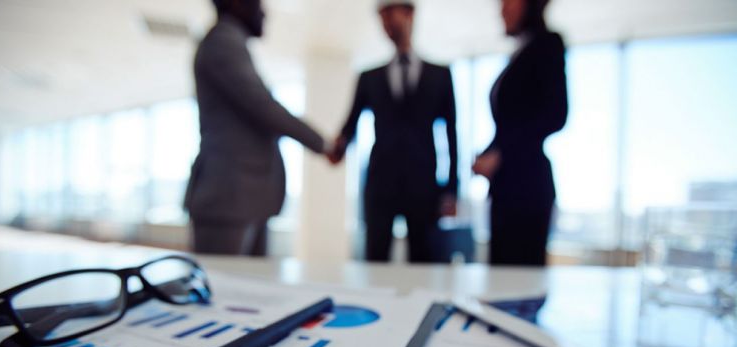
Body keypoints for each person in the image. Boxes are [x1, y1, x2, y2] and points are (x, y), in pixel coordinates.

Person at [184, 0, 332, 256]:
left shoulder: (231, 43)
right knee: (225, 287)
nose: (263, 11)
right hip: (228, 196)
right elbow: (262, 106)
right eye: (257, 3)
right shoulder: (223, 41)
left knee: (247, 290)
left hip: (243, 197)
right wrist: (324, 144)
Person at [332, 0, 459, 263]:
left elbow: (452, 134)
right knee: (375, 259)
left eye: (391, 13)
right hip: (380, 184)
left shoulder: (441, 75)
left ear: (410, 13)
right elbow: (350, 125)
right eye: (382, 17)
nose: (387, 23)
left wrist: (451, 189)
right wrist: (334, 146)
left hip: (423, 185)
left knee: (423, 260)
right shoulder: (369, 77)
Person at [472, 0, 567, 266]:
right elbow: (509, 125)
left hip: (527, 187)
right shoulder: (520, 52)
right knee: (501, 277)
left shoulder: (547, 44)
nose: (501, 9)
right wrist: (489, 153)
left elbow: (555, 115)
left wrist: (500, 155)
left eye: (507, 1)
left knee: (520, 282)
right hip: (506, 187)